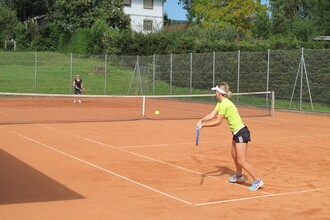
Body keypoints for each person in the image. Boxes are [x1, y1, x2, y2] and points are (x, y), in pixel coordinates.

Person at [197, 82, 264, 191]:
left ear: (219, 93)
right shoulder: (220, 103)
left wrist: (203, 126)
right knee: (233, 154)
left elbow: (218, 122)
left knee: (242, 161)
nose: (215, 93)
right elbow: (212, 115)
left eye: (215, 91)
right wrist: (201, 120)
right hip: (236, 133)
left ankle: (257, 180)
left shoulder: (224, 104)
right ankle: (239, 175)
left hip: (241, 132)